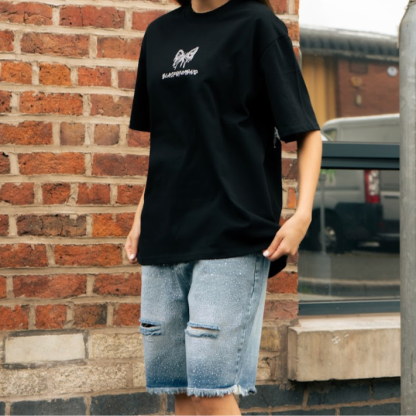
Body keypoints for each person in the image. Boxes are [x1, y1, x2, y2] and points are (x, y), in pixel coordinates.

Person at [124, 0, 322, 414]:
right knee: (180, 390)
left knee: (210, 393)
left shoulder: (258, 26)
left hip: (231, 234)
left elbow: (306, 132)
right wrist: (142, 215)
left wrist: (302, 215)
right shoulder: (159, 35)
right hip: (164, 235)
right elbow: (169, 139)